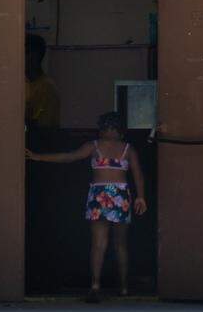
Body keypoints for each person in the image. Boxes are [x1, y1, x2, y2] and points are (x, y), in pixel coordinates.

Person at [26, 112, 146, 302]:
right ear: (121, 131)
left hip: (98, 196)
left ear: (102, 129)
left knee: (98, 244)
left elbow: (68, 157)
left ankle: (95, 286)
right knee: (121, 244)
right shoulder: (128, 149)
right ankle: (123, 288)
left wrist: (39, 157)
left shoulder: (94, 146)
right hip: (120, 196)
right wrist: (140, 197)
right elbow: (138, 174)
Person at [24, 33, 60, 132]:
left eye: (25, 53)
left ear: (35, 56)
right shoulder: (23, 83)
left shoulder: (47, 87)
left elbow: (39, 125)